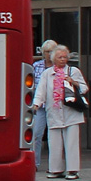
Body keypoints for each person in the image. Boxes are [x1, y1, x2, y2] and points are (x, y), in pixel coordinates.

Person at [36, 44, 90, 180]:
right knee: (54, 143)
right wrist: (36, 105)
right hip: (53, 112)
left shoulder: (73, 71)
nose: (63, 60)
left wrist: (74, 83)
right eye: (60, 57)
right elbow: (40, 91)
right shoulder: (47, 74)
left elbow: (84, 88)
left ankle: (72, 170)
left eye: (65, 57)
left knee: (71, 142)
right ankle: (55, 169)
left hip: (71, 112)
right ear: (54, 59)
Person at [31, 39, 58, 171]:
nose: (49, 54)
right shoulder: (36, 66)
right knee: (36, 133)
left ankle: (55, 165)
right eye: (46, 52)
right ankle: (34, 163)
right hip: (40, 106)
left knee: (55, 135)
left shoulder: (59, 67)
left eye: (51, 51)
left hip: (55, 105)